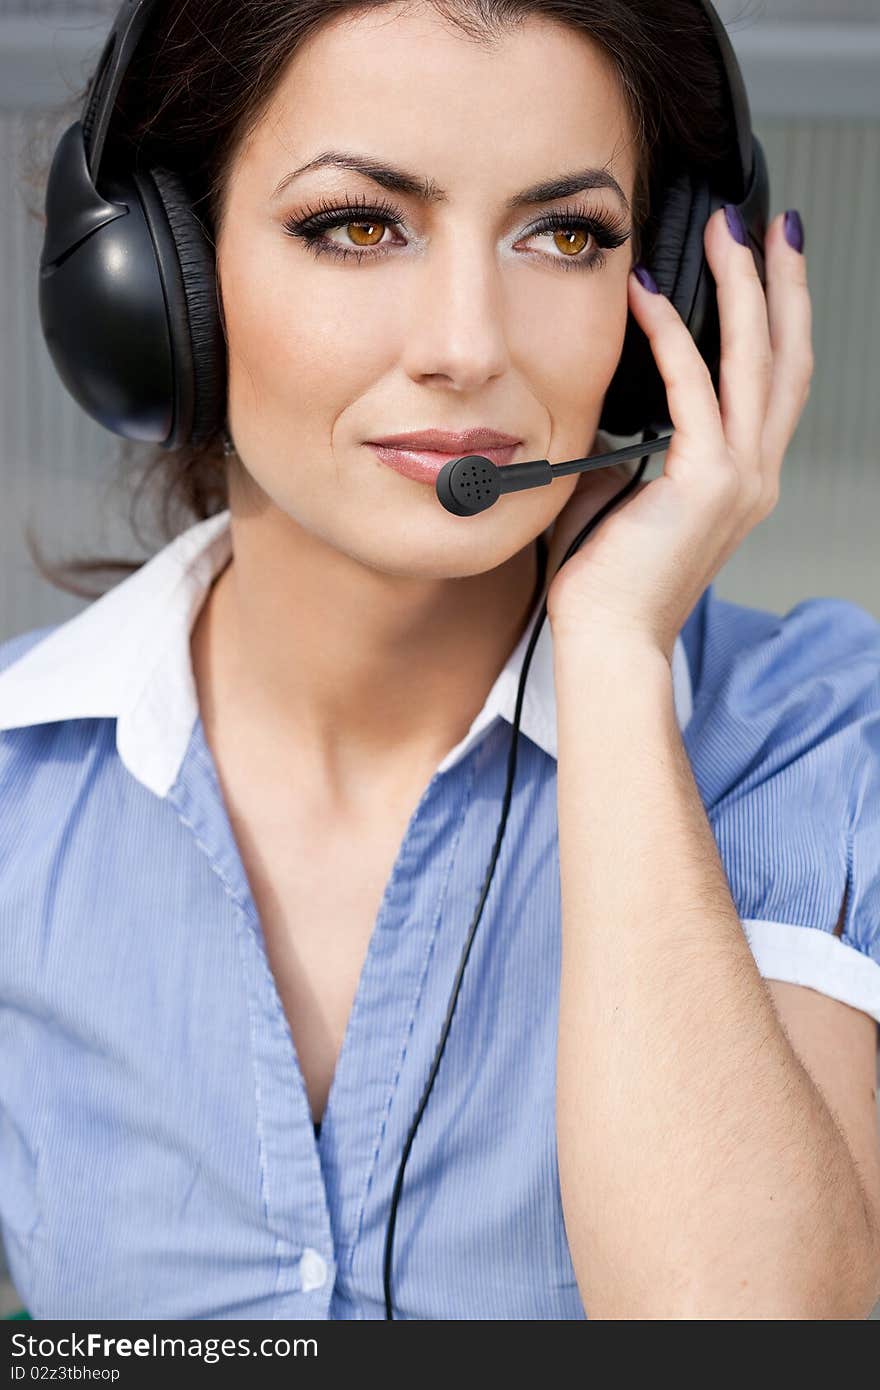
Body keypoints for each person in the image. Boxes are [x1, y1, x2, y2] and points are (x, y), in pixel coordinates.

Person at [1, 0, 879, 1321]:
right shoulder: (17, 790)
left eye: (567, 234)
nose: (468, 342)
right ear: (155, 279)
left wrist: (615, 654)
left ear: (673, 305)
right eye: (358, 225)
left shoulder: (806, 732)